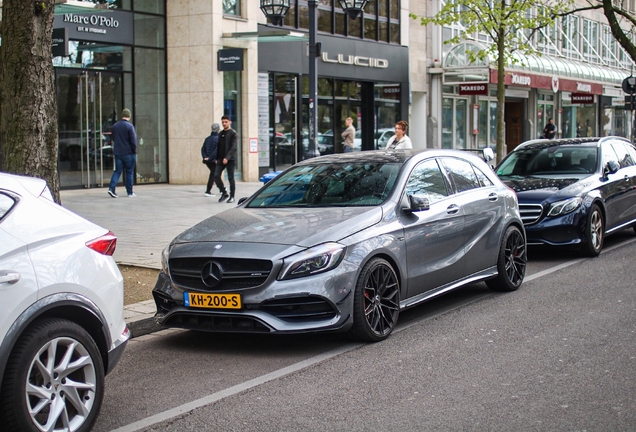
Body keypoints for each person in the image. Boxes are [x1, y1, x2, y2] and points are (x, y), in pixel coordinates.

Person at [108, 108, 137, 198]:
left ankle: (111, 189)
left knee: (117, 171)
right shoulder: (130, 126)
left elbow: (112, 138)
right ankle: (129, 192)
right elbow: (133, 140)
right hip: (128, 152)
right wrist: (134, 150)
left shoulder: (115, 126)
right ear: (129, 116)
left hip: (118, 152)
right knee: (129, 172)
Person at [215, 115, 238, 203]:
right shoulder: (221, 133)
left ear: (230, 122)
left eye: (226, 122)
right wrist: (217, 158)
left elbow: (233, 147)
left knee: (230, 178)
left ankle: (232, 196)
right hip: (220, 159)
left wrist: (227, 157)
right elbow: (218, 146)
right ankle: (224, 193)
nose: (224, 124)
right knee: (216, 176)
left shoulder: (233, 133)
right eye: (223, 122)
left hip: (230, 159)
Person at [201, 123, 219, 197]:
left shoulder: (207, 139)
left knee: (214, 174)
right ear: (218, 129)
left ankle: (222, 189)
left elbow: (203, 149)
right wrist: (210, 157)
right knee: (213, 175)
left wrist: (205, 157)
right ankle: (208, 191)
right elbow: (216, 150)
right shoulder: (218, 139)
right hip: (213, 160)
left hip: (207, 161)